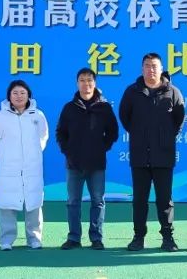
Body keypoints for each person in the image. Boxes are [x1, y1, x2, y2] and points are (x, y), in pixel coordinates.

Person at [119, 53, 185, 252]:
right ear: (142, 69)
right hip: (139, 155)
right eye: (147, 66)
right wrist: (140, 135)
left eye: (154, 66)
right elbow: (125, 117)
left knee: (165, 200)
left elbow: (179, 120)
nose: (151, 70)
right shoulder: (132, 92)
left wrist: (165, 137)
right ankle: (138, 237)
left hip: (163, 156)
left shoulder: (173, 92)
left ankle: (168, 238)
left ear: (161, 69)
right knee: (139, 200)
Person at [56, 67, 120, 251]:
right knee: (73, 202)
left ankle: (96, 237)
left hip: (97, 163)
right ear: (77, 84)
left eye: (90, 80)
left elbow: (113, 132)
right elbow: (60, 133)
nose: (86, 84)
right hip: (73, 164)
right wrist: (68, 151)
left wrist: (101, 148)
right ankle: (74, 237)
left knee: (98, 201)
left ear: (95, 83)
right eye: (82, 80)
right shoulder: (69, 108)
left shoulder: (104, 107)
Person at [0, 79, 49, 251]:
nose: (19, 96)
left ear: (28, 95)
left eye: (22, 93)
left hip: (32, 167)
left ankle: (34, 238)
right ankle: (6, 239)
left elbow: (43, 136)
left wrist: (34, 153)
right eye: (15, 93)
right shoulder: (0, 117)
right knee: (7, 203)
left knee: (33, 202)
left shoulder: (37, 115)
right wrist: (5, 155)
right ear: (9, 96)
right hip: (9, 167)